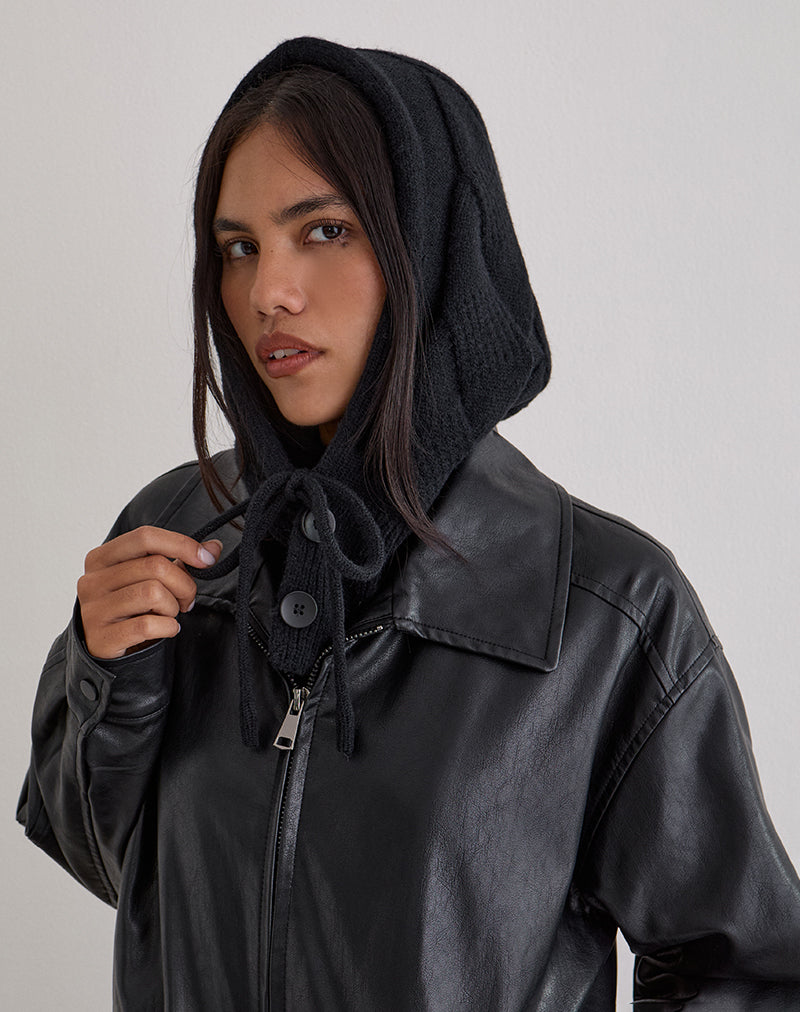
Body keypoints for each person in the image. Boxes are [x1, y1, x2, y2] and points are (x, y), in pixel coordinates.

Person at [16, 35, 800, 1011]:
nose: (267, 292)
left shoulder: (603, 609)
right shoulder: (176, 535)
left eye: (324, 230)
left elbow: (746, 971)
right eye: (238, 247)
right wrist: (106, 676)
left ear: (426, 247)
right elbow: (112, 863)